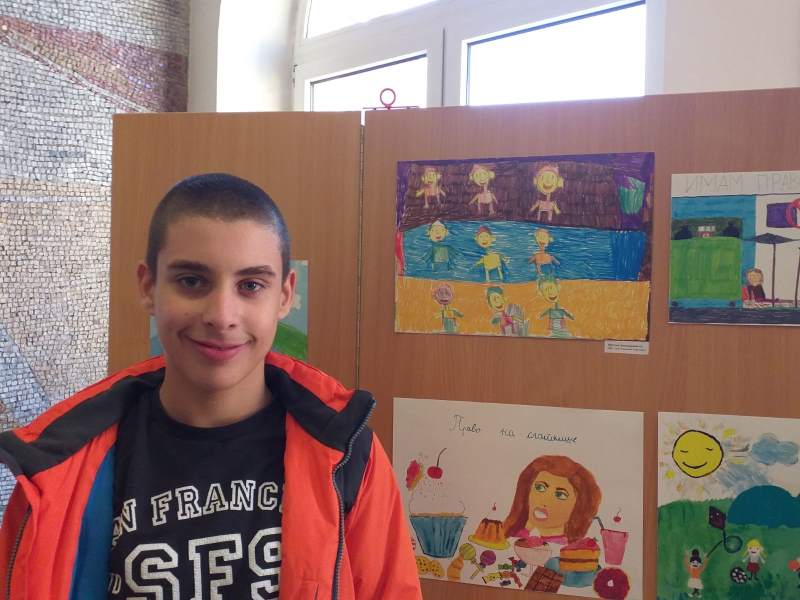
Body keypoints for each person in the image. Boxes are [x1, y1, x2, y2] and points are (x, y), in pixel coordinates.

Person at [0, 173, 421, 599]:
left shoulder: (347, 453)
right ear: (148, 287)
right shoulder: (56, 467)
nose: (222, 316)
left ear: (284, 296)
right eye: (192, 281)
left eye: (251, 285)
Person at [502, 455, 601, 544]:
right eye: (540, 487)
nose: (544, 500)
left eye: (560, 495)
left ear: (579, 505)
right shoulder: (509, 536)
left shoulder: (569, 550)